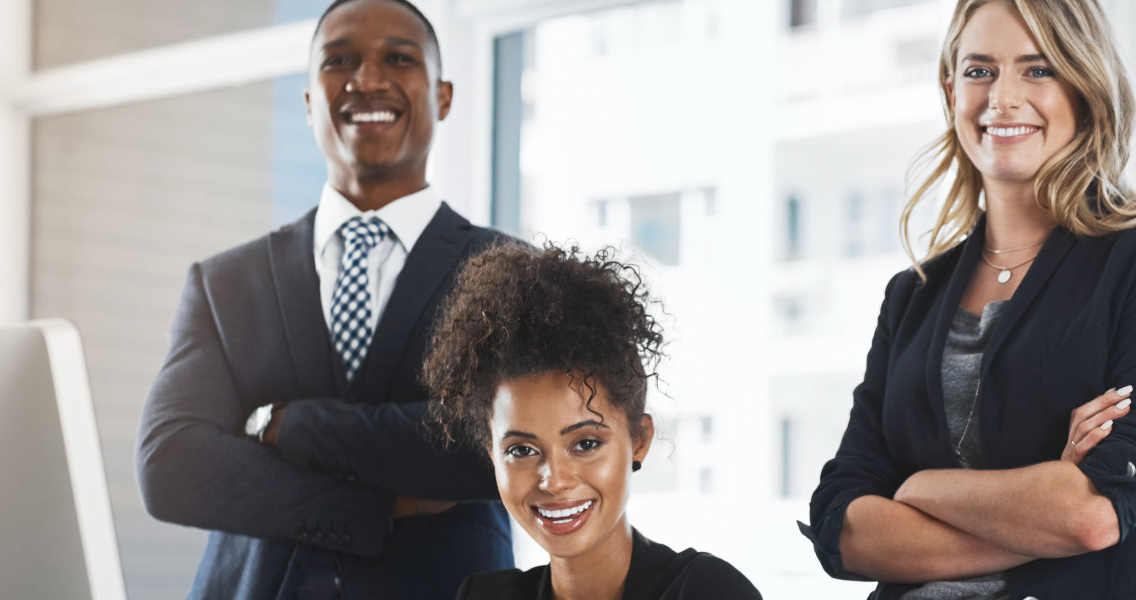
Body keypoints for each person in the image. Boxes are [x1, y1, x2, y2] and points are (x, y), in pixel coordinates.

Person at [801, 0, 1136, 598]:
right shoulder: (911, 297)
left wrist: (921, 487)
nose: (1002, 97)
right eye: (979, 71)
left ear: (1085, 84)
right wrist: (1043, 503)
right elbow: (844, 530)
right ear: (951, 90)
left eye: (1038, 69)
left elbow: (1095, 512)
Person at [136, 0, 518, 597]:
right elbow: (172, 468)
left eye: (398, 58)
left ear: (443, 96)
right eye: (340, 61)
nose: (366, 78)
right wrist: (380, 506)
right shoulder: (225, 283)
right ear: (311, 101)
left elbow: (490, 446)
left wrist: (290, 426)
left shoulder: (512, 276)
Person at [421, 243, 762, 600]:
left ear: (639, 440)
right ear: (492, 454)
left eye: (585, 444)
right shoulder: (482, 596)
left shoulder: (706, 591)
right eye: (522, 449)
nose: (554, 481)